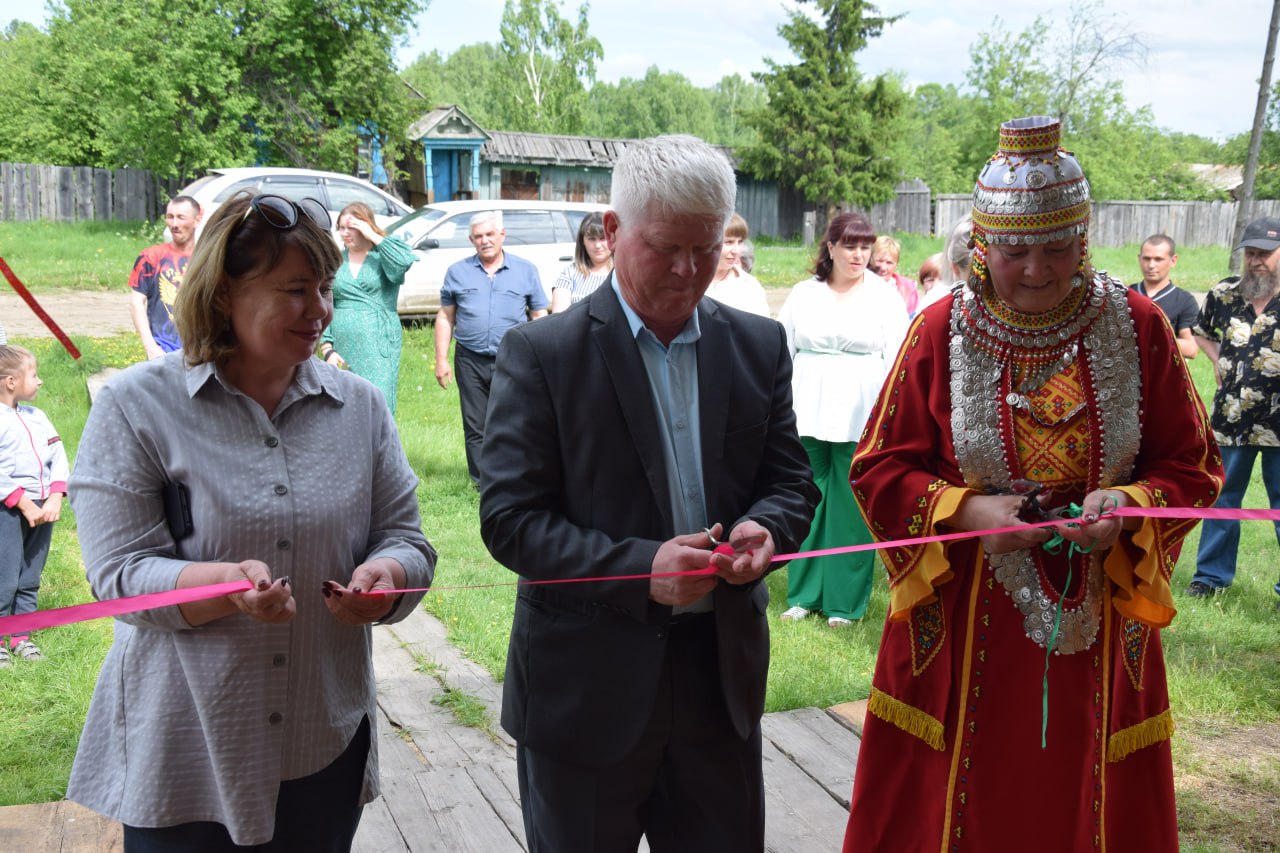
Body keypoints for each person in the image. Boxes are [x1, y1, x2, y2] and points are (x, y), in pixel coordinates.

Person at [842, 116, 1223, 852]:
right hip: (962, 618)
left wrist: (1131, 503)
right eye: (1015, 251)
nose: (1038, 269)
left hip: (1103, 620)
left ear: (1083, 240)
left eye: (1056, 249)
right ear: (982, 247)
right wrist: (967, 507)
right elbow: (879, 467)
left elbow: (1194, 465)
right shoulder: (938, 330)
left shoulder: (1138, 324)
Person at [67, 191, 437, 851]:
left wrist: (390, 576)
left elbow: (409, 543)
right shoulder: (136, 407)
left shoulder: (360, 408)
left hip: (321, 744)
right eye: (296, 289)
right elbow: (117, 574)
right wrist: (221, 585)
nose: (320, 310)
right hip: (184, 752)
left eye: (325, 287)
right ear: (223, 292)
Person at [478, 135, 818, 852]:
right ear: (610, 231)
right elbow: (509, 520)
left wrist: (767, 529)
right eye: (665, 247)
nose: (688, 270)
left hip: (717, 687)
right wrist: (641, 568)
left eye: (706, 248)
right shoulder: (543, 355)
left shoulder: (758, 345)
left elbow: (790, 482)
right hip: (585, 696)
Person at [776, 213, 909, 627]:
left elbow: (900, 357)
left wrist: (890, 414)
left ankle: (843, 603)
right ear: (830, 247)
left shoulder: (884, 295)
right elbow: (782, 350)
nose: (859, 255)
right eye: (850, 246)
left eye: (865, 247)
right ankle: (804, 594)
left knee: (852, 504)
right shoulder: (803, 293)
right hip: (807, 408)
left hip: (860, 412)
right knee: (807, 499)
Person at [1187, 216, 1280, 600]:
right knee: (1222, 497)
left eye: (1265, 254)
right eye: (1251, 253)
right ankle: (1210, 578)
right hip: (1231, 419)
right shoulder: (1224, 294)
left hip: (1278, 423)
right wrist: (1217, 359)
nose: (1256, 261)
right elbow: (1201, 331)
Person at [435, 210, 548, 487]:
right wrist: (441, 359)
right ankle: (482, 482)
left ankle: (515, 476)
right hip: (469, 358)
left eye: (490, 234)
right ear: (471, 240)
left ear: (502, 235)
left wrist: (545, 359)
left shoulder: (526, 270)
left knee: (514, 421)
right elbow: (445, 316)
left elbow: (539, 316)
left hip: (512, 359)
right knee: (475, 425)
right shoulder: (457, 272)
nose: (485, 241)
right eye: (478, 236)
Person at [0, 345, 67, 666]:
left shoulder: (37, 417)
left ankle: (21, 637)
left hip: (44, 508)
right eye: (34, 375)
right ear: (11, 382)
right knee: (5, 577)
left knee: (30, 575)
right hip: (9, 509)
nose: (39, 382)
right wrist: (24, 503)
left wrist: (55, 496)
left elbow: (59, 455)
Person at [318, 202, 417, 413]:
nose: (345, 233)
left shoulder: (382, 258)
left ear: (366, 226)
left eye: (351, 227)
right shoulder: (335, 261)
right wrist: (326, 348)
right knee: (344, 406)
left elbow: (405, 260)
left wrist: (372, 235)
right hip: (343, 345)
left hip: (378, 344)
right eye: (341, 228)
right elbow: (325, 302)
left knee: (377, 403)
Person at [128, 195, 202, 359]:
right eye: (170, 217)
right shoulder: (151, 257)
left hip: (201, 353)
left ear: (197, 220)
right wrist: (150, 346)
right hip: (162, 352)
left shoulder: (207, 259)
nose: (174, 224)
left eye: (181, 217)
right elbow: (136, 302)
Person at [1131, 234, 1199, 359]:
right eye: (1146, 258)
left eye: (1158, 259)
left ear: (1173, 261)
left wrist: (1155, 338)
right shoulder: (1126, 295)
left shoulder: (1184, 301)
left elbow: (1191, 348)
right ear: (1139, 258)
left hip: (1163, 374)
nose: (1151, 265)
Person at [705, 212, 770, 316]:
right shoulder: (691, 282)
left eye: (740, 242)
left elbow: (762, 328)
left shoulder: (750, 286)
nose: (736, 251)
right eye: (729, 242)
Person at [549, 212, 612, 312]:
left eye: (602, 238)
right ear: (582, 241)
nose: (597, 245)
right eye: (592, 239)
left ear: (612, 239)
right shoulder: (570, 272)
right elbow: (559, 317)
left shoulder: (623, 273)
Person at [869, 234, 919, 317]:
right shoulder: (858, 284)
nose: (883, 268)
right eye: (879, 261)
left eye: (889, 263)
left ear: (896, 265)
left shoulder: (908, 289)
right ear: (870, 260)